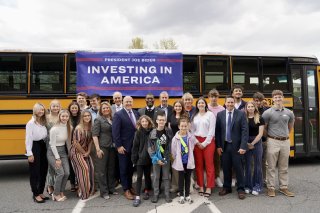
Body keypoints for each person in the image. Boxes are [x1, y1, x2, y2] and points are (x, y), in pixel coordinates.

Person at [262, 90, 295, 197]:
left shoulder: (289, 112)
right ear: (272, 99)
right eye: (275, 97)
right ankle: (271, 188)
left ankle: (283, 187)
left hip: (285, 141)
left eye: (279, 97)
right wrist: (271, 137)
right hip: (272, 141)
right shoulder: (267, 113)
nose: (277, 99)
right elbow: (264, 128)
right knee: (270, 166)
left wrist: (284, 136)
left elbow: (290, 127)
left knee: (283, 166)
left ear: (283, 98)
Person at [216, 95, 248, 200]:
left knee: (239, 168)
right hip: (225, 146)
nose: (230, 104)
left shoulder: (241, 114)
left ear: (234, 103)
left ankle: (241, 189)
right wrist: (218, 146)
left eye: (231, 102)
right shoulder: (220, 115)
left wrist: (243, 146)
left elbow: (244, 131)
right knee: (225, 168)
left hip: (238, 147)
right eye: (228, 102)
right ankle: (227, 187)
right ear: (224, 103)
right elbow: (218, 131)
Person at [112, 96, 139, 200]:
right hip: (123, 147)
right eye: (126, 101)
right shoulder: (118, 115)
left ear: (132, 102)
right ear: (123, 102)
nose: (128, 103)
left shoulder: (136, 113)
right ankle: (126, 190)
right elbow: (115, 132)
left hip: (134, 147)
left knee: (131, 168)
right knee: (123, 169)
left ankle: (130, 186)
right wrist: (118, 146)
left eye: (130, 102)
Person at [92, 101, 118, 200]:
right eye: (104, 108)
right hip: (102, 147)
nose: (106, 109)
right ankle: (104, 192)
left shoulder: (112, 118)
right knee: (102, 171)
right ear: (101, 110)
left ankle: (111, 188)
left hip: (112, 147)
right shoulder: (98, 120)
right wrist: (98, 149)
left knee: (111, 169)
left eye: (107, 108)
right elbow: (95, 135)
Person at [191, 97, 216, 197]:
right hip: (197, 141)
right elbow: (192, 131)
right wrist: (197, 142)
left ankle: (209, 186)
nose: (201, 104)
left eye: (202, 103)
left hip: (208, 141)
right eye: (199, 103)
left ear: (205, 104)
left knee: (209, 165)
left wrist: (205, 143)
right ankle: (201, 186)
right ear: (196, 105)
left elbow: (212, 130)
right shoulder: (194, 116)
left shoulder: (210, 115)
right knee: (199, 165)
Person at [148, 110, 173, 203]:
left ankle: (167, 194)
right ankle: (156, 194)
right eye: (160, 120)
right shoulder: (153, 133)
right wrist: (155, 159)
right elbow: (150, 147)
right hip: (156, 159)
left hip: (166, 157)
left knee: (166, 177)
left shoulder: (169, 131)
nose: (161, 122)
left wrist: (168, 157)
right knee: (156, 177)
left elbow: (171, 144)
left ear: (165, 120)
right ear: (157, 121)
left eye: (163, 120)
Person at [25, 103, 48, 203]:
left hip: (43, 145)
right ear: (35, 110)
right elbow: (28, 139)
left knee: (43, 170)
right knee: (35, 171)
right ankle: (35, 194)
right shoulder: (31, 123)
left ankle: (40, 191)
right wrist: (30, 153)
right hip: (34, 146)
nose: (41, 112)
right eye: (39, 110)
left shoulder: (43, 121)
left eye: (42, 110)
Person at [171, 117, 198, 204]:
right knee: (181, 179)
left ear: (188, 127)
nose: (183, 128)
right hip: (180, 162)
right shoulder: (175, 138)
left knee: (188, 178)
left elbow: (193, 146)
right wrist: (175, 158)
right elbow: (173, 151)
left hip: (188, 161)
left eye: (185, 126)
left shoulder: (190, 137)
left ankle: (187, 195)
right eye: (182, 126)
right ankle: (181, 195)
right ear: (179, 126)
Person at [47, 110, 71, 202]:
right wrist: (57, 158)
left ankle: (61, 191)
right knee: (60, 173)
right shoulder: (54, 129)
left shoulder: (69, 127)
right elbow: (52, 145)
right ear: (59, 117)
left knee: (67, 173)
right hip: (53, 152)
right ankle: (55, 194)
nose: (65, 118)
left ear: (68, 118)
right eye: (63, 116)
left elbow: (67, 142)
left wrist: (69, 153)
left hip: (63, 152)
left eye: (66, 116)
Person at [70, 110, 95, 200]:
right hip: (76, 152)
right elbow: (76, 143)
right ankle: (84, 193)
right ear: (82, 117)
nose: (87, 117)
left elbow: (91, 141)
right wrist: (84, 153)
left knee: (91, 168)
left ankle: (88, 189)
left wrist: (88, 151)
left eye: (88, 115)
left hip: (85, 151)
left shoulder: (90, 127)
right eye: (85, 116)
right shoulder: (78, 128)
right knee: (84, 169)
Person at [131, 115, 154, 207]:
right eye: (143, 121)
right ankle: (137, 197)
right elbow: (135, 147)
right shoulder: (138, 133)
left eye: (146, 121)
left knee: (148, 176)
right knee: (139, 177)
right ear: (140, 123)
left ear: (149, 122)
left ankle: (147, 190)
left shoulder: (152, 132)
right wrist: (134, 159)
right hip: (140, 159)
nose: (144, 123)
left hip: (149, 158)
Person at [244, 101, 264, 196]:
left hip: (256, 141)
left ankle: (257, 186)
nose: (250, 108)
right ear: (246, 108)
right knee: (247, 165)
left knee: (257, 165)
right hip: (246, 142)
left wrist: (252, 143)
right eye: (249, 106)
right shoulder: (244, 118)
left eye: (252, 106)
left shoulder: (260, 118)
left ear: (255, 108)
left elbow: (260, 133)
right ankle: (248, 185)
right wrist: (246, 143)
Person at [168, 100, 188, 193]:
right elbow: (168, 129)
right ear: (174, 107)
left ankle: (185, 186)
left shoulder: (185, 116)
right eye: (176, 106)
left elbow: (189, 129)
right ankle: (175, 185)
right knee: (175, 165)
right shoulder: (170, 116)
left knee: (184, 165)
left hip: (183, 143)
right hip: (173, 143)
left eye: (180, 106)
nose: (178, 108)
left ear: (182, 107)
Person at [207, 89, 225, 188]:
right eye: (212, 96)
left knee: (217, 159)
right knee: (207, 160)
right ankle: (208, 178)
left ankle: (217, 177)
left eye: (215, 96)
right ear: (209, 97)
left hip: (217, 137)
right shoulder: (206, 107)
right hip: (207, 138)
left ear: (218, 97)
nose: (214, 98)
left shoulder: (222, 109)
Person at [252, 92, 269, 184]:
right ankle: (254, 179)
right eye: (256, 101)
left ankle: (263, 180)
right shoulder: (250, 110)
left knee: (263, 162)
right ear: (253, 100)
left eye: (260, 101)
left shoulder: (267, 110)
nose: (258, 103)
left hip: (264, 140)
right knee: (253, 162)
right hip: (253, 140)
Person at [45, 99, 61, 196]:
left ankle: (55, 184)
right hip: (49, 143)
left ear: (60, 107)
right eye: (53, 106)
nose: (55, 108)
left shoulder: (61, 117)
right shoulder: (46, 118)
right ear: (50, 107)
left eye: (57, 106)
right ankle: (49, 185)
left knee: (57, 165)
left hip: (59, 144)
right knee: (51, 165)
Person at [67, 100, 81, 192]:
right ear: (70, 109)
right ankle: (72, 183)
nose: (74, 109)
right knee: (71, 165)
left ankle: (80, 183)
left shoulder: (80, 118)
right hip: (70, 144)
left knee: (79, 164)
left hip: (80, 144)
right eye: (72, 108)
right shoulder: (67, 118)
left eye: (76, 108)